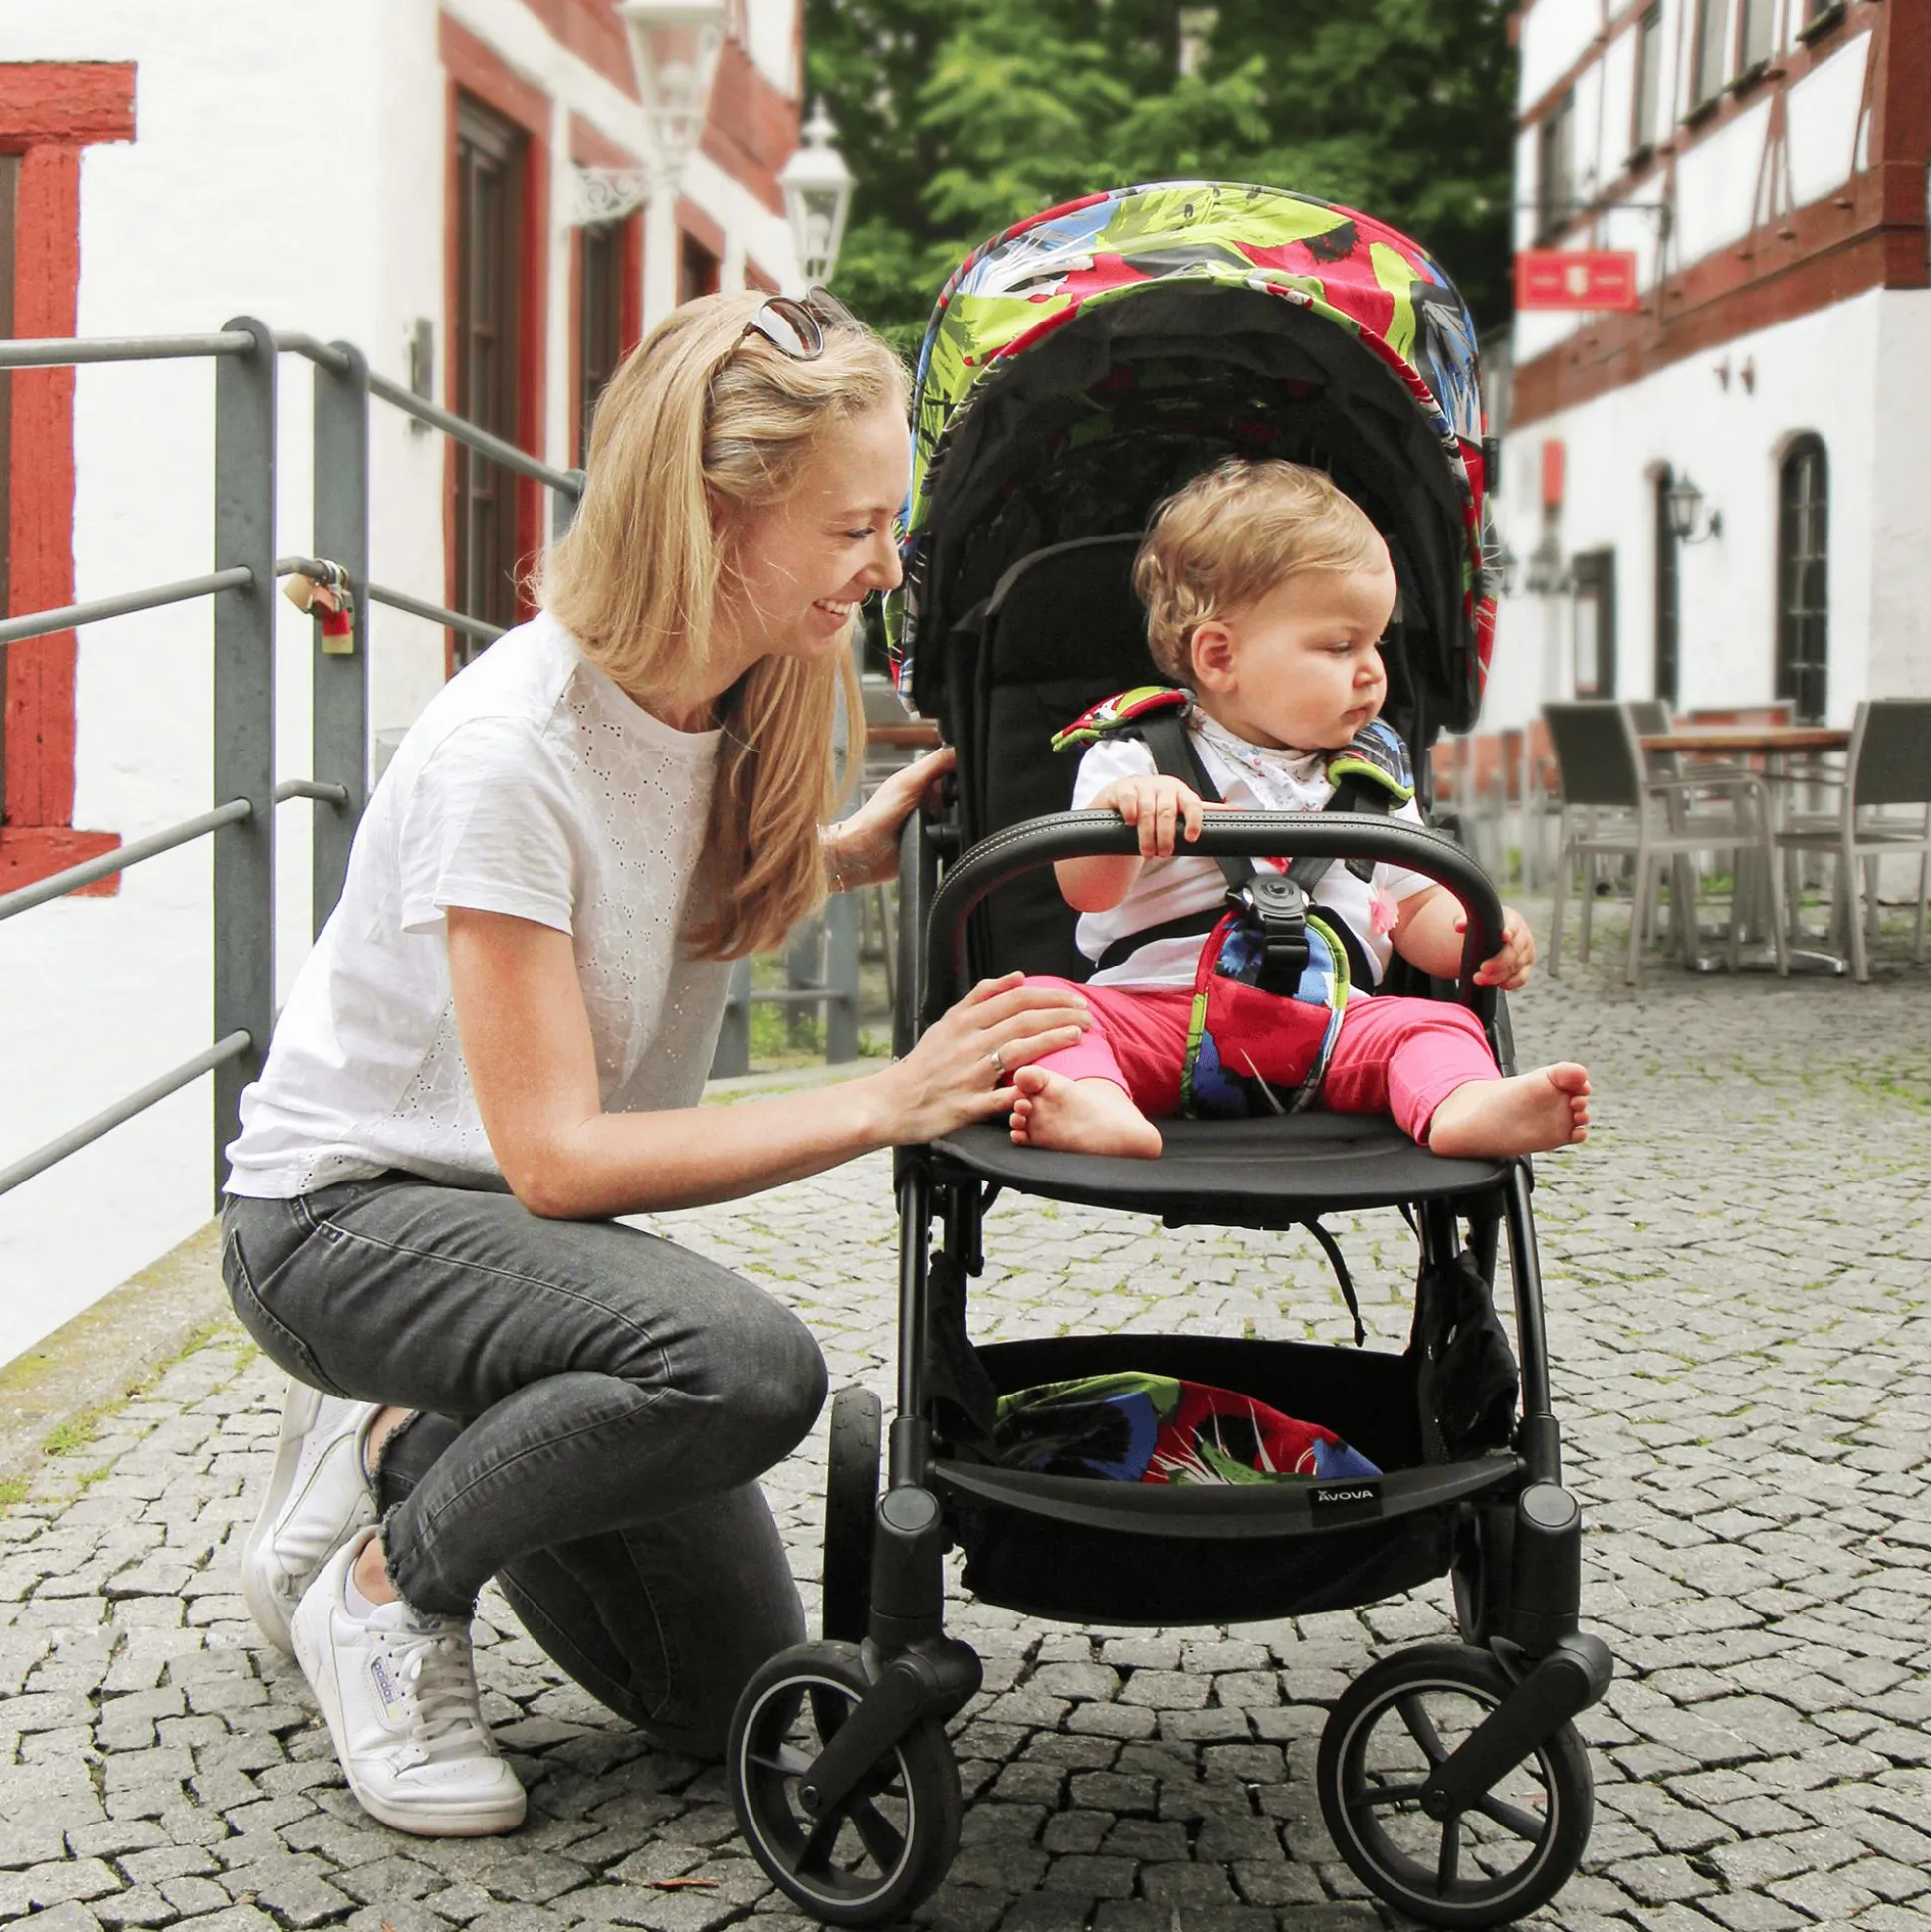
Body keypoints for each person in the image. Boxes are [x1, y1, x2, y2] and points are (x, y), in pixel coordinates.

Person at [220, 290, 1091, 1840]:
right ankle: (387, 1591)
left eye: (889, 525)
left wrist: (834, 853)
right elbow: (557, 1158)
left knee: (715, 1697)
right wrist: (885, 1097)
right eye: (852, 530)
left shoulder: (738, 690)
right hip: (344, 1219)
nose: (885, 568)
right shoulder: (507, 751)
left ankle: (398, 1441)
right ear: (711, 518)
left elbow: (642, 893)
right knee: (743, 1368)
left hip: (518, 1245)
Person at [1006, 458, 1590, 1163]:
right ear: (1220, 656)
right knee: (1042, 1010)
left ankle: (1463, 1102)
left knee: (1433, 1024)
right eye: (1341, 646)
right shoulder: (1138, 756)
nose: (1373, 670)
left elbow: (1415, 913)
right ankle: (1093, 1100)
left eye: (1376, 642)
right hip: (1153, 1015)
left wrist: (1479, 933)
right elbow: (1085, 892)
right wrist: (1126, 818)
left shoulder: (1371, 780)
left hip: (1333, 1029)